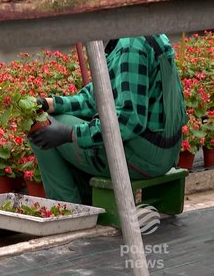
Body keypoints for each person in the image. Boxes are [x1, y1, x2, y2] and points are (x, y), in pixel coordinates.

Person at [29, 34, 187, 204]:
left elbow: (128, 121)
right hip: (163, 150)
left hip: (146, 157)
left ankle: (66, 211)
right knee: (51, 117)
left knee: (39, 125)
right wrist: (49, 104)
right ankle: (85, 202)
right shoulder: (139, 33)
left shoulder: (130, 46)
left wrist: (70, 133)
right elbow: (96, 97)